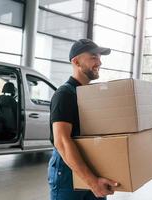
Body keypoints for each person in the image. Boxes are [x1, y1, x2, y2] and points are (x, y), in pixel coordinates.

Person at [48, 39, 119, 200]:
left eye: (100, 57)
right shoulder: (65, 94)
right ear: (76, 61)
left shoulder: (92, 96)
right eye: (94, 57)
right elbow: (62, 142)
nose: (99, 62)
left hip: (94, 171)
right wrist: (92, 182)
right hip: (69, 176)